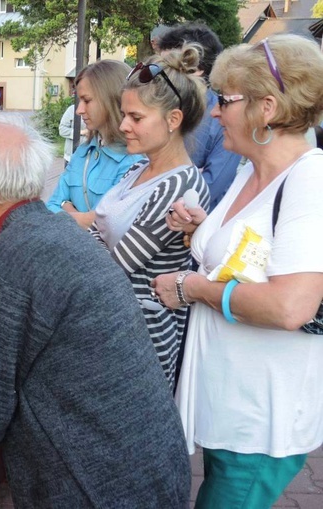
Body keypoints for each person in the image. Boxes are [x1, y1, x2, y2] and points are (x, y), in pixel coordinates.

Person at [0, 114, 191, 507]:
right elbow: (40, 322)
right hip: (150, 471)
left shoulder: (4, 261)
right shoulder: (57, 231)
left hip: (96, 490)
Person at [153, 34, 323, 507]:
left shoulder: (310, 181)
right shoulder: (253, 170)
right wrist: (201, 232)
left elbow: (291, 306)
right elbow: (255, 258)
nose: (213, 113)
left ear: (266, 107)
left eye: (224, 101)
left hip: (261, 420)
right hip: (230, 405)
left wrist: (192, 288)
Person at [89, 45, 210, 389]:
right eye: (124, 114)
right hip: (116, 326)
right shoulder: (141, 169)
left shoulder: (181, 184)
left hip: (143, 337)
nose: (124, 125)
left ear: (173, 120)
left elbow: (118, 264)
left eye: (136, 117)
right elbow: (100, 232)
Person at [47, 60, 144, 228]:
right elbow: (51, 205)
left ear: (110, 99)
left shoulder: (134, 162)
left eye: (87, 100)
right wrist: (81, 218)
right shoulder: (84, 151)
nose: (79, 110)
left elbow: (106, 226)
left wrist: (66, 206)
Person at [159, 22, 242, 211]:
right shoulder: (157, 109)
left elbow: (208, 188)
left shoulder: (222, 120)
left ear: (198, 68)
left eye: (169, 65)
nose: (160, 73)